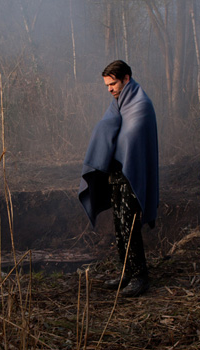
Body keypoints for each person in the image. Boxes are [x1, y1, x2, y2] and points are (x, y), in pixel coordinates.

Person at [78, 60, 159, 297]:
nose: (110, 89)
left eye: (113, 84)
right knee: (119, 226)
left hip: (131, 176)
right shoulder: (118, 104)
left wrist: (113, 144)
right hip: (117, 176)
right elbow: (107, 130)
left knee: (129, 226)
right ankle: (126, 273)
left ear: (126, 78)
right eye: (106, 86)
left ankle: (140, 278)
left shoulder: (140, 105)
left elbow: (130, 140)